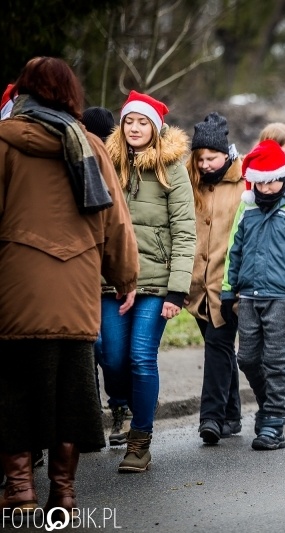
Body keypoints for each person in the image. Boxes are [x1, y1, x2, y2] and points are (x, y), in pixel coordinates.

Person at [0, 57, 138, 514]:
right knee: (72, 396)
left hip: (15, 292)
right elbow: (115, 221)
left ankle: (20, 492)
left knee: (14, 392)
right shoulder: (92, 147)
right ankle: (64, 494)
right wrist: (125, 277)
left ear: (24, 91)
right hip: (78, 292)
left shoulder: (3, 142)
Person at [101, 90, 196, 473]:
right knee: (111, 356)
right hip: (111, 282)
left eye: (142, 122)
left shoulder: (172, 168)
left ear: (154, 128)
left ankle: (139, 441)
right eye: (129, 121)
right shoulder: (108, 163)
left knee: (141, 357)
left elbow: (185, 231)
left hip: (157, 285)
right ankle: (136, 399)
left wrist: (178, 290)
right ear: (121, 126)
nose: (135, 128)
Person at [221, 140, 285, 451]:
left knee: (275, 360)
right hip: (249, 295)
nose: (267, 188)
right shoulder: (247, 206)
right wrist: (228, 289)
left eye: (273, 180)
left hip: (283, 296)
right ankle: (268, 405)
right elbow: (234, 249)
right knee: (247, 358)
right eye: (261, 182)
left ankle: (274, 421)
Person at [185, 112, 245, 444]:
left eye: (213, 157)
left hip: (228, 285)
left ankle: (211, 416)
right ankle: (232, 414)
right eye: (201, 158)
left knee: (217, 345)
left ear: (226, 153)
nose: (206, 163)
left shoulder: (242, 184)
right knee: (220, 349)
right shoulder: (189, 182)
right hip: (196, 286)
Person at [82, 105, 135, 448]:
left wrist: (126, 275)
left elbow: (123, 225)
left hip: (111, 280)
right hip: (80, 276)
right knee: (88, 351)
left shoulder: (122, 169)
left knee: (111, 352)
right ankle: (88, 418)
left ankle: (120, 406)